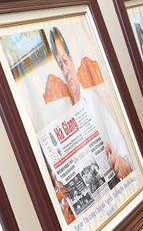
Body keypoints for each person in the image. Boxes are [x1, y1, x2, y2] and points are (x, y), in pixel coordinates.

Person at [50, 27, 134, 179]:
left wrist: (121, 162)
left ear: (71, 60)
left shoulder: (92, 100)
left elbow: (123, 150)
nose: (65, 70)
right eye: (60, 66)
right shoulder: (67, 114)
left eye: (65, 61)